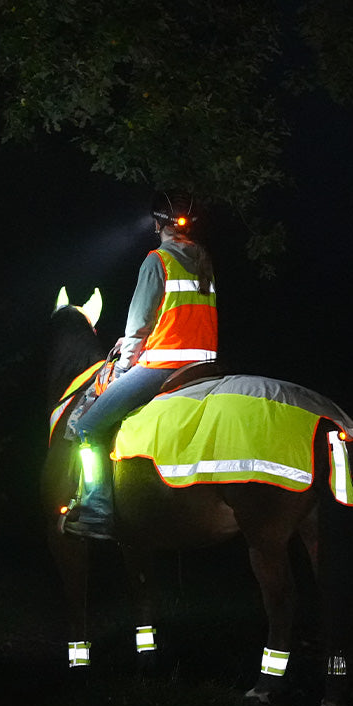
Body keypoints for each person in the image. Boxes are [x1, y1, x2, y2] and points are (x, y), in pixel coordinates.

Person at [63, 192, 217, 540]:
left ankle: (96, 510)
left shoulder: (158, 260)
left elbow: (138, 327)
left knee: (88, 427)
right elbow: (181, 318)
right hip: (205, 363)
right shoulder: (203, 259)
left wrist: (121, 369)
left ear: (158, 224)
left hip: (166, 365)